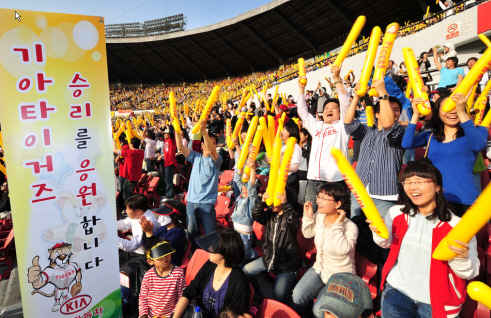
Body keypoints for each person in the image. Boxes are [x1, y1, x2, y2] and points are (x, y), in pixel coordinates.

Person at [369, 160, 480, 318]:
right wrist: (378, 232)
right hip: (396, 293)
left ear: (437, 187)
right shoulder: (396, 213)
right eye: (408, 182)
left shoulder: (457, 226)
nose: (413, 187)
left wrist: (461, 258)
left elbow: (470, 272)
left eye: (419, 181)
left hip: (436, 303)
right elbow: (385, 243)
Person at [402, 93, 488, 216]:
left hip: (465, 201)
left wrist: (462, 113)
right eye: (448, 109)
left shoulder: (476, 131)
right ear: (438, 113)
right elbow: (406, 143)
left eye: (456, 108)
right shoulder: (431, 135)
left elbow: (478, 145)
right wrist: (415, 114)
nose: (453, 112)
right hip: (436, 199)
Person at [292, 183, 358, 315]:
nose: (318, 201)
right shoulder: (320, 216)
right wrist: (308, 216)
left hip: (340, 276)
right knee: (297, 296)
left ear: (338, 204)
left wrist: (338, 224)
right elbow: (308, 233)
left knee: (319, 310)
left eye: (324, 199)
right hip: (319, 268)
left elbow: (341, 250)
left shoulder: (350, 227)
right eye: (318, 197)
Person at [344, 80, 405, 218]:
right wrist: (356, 97)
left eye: (397, 110)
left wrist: (383, 93)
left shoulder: (400, 131)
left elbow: (389, 124)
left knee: (383, 237)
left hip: (384, 195)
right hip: (359, 192)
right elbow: (348, 124)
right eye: (389, 109)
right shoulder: (367, 131)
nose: (394, 113)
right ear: (377, 114)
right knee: (357, 233)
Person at [297, 65, 351, 212]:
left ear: (340, 113)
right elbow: (302, 111)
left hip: (334, 180)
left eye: (333, 108)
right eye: (326, 109)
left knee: (332, 217)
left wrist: (337, 80)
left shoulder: (343, 126)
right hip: (313, 179)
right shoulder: (317, 126)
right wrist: (301, 89)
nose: (329, 110)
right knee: (310, 215)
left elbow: (346, 103)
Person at [173, 229, 251, 318]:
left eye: (214, 248)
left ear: (224, 254)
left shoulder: (239, 280)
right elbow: (189, 292)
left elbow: (238, 313)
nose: (209, 248)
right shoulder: (210, 265)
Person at [242, 192, 300, 303]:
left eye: (275, 202)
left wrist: (286, 204)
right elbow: (256, 214)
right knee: (245, 271)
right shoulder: (270, 215)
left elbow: (294, 218)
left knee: (279, 295)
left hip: (286, 266)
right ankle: (256, 295)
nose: (272, 205)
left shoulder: (290, 217)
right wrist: (262, 202)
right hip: (268, 259)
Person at [175, 121, 222, 238]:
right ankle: (194, 254)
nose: (210, 145)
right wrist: (176, 131)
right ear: (201, 146)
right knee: (192, 234)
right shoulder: (196, 157)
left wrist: (204, 133)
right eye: (207, 143)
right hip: (191, 202)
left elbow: (212, 151)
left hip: (206, 204)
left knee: (211, 235)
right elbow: (180, 147)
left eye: (213, 143)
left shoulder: (217, 160)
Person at [139, 241, 185, 318]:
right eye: (160, 258)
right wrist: (143, 315)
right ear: (150, 261)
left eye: (167, 255)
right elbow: (143, 297)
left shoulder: (178, 273)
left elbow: (181, 296)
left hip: (170, 315)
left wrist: (174, 314)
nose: (165, 259)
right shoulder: (148, 275)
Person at [231, 159, 259, 261]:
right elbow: (237, 179)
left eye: (245, 188)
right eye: (242, 188)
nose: (243, 189)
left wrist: (252, 169)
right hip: (235, 232)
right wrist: (241, 164)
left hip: (244, 236)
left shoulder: (251, 200)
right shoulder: (241, 196)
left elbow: (252, 186)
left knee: (243, 257)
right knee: (236, 255)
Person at [120, 137, 145, 201]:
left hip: (130, 178)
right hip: (136, 177)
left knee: (127, 197)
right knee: (132, 195)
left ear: (131, 144)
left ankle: (128, 209)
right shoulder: (141, 152)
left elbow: (116, 151)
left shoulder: (130, 153)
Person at [157, 127, 177, 198]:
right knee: (167, 179)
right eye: (164, 134)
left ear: (169, 135)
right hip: (166, 163)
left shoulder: (171, 141)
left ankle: (170, 195)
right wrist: (161, 156)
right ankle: (168, 193)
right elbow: (166, 153)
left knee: (169, 179)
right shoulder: (166, 141)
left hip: (170, 163)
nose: (164, 135)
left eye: (166, 134)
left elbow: (170, 153)